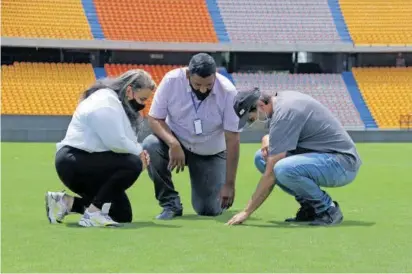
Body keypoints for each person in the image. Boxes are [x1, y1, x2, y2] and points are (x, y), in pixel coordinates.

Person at [227, 88, 362, 226]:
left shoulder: (285, 113)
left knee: (281, 168)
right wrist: (267, 137)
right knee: (261, 158)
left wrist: (247, 211)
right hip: (328, 157)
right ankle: (310, 207)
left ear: (261, 105)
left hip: (343, 163)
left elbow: (271, 172)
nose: (252, 123)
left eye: (251, 119)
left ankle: (328, 209)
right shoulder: (282, 103)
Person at [45, 69, 156, 227]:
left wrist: (138, 154)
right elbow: (117, 142)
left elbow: (126, 140)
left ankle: (65, 203)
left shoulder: (115, 103)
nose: (142, 105)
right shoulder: (105, 103)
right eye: (142, 99)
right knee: (132, 163)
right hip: (74, 161)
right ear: (129, 91)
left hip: (88, 160)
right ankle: (93, 214)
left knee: (121, 214)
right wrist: (139, 155)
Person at [142, 53, 241, 220]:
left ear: (215, 76)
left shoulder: (229, 92)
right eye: (197, 84)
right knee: (150, 145)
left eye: (209, 85)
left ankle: (207, 192)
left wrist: (229, 185)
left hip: (210, 152)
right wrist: (173, 144)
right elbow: (154, 118)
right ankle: (170, 203)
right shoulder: (171, 81)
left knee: (209, 209)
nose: (203, 90)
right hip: (177, 142)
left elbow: (233, 139)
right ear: (188, 75)